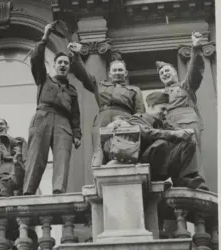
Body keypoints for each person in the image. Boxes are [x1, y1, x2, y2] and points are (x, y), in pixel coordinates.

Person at [23, 22, 82, 195]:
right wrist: (44, 37)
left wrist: (77, 134)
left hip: (64, 123)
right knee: (36, 157)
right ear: (54, 65)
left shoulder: (72, 90)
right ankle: (28, 192)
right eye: (60, 62)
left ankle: (58, 192)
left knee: (62, 158)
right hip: (43, 117)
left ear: (69, 67)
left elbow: (76, 115)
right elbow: (36, 60)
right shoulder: (44, 78)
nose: (63, 65)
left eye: (66, 62)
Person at [106, 92, 207, 190]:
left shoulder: (164, 124)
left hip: (161, 166)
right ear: (151, 106)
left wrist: (185, 132)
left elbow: (177, 132)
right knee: (162, 143)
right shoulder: (138, 118)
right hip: (144, 164)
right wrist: (172, 134)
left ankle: (185, 179)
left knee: (188, 141)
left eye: (167, 110)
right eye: (163, 109)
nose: (165, 113)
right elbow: (146, 133)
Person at [68, 42, 145, 167]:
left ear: (126, 73)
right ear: (110, 73)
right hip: (102, 119)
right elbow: (84, 75)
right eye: (115, 70)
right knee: (99, 153)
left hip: (125, 120)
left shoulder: (134, 90)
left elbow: (140, 114)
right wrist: (76, 55)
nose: (117, 72)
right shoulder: (99, 85)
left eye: (120, 70)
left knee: (123, 152)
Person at [156, 31, 206, 183]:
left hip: (187, 121)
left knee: (192, 151)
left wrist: (196, 48)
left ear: (175, 73)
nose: (164, 74)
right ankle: (181, 181)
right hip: (169, 127)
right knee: (174, 154)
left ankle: (196, 181)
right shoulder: (159, 96)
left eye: (167, 71)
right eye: (161, 73)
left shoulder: (185, 86)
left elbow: (194, 70)